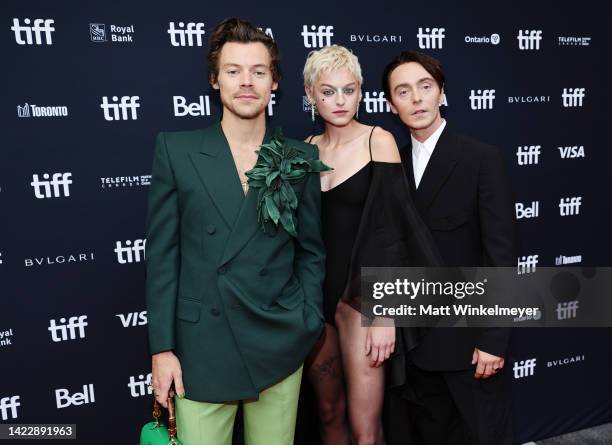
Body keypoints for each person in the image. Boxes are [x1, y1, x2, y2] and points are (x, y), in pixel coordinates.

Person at [145, 17, 326, 445]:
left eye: (258, 72)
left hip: (279, 340)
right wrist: (162, 349)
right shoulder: (177, 150)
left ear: (274, 83)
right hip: (200, 348)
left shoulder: (299, 158)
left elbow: (311, 251)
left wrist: (307, 320)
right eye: (233, 71)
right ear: (215, 80)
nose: (247, 82)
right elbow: (162, 259)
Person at [302, 45, 441, 445]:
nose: (340, 100)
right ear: (311, 95)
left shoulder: (376, 141)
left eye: (349, 90)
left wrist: (385, 313)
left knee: (366, 430)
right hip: (315, 299)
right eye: (328, 92)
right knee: (328, 416)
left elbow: (393, 233)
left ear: (361, 91)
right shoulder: (305, 149)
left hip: (362, 300)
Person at [382, 50, 518, 445]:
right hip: (413, 348)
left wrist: (493, 339)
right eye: (403, 91)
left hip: (469, 346)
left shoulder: (480, 158)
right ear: (391, 104)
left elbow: (501, 256)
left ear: (441, 93)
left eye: (425, 87)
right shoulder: (392, 165)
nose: (417, 99)